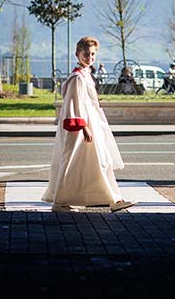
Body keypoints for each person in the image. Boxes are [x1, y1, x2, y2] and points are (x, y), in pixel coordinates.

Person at [42, 37, 135, 211]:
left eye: (92, 54)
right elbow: (73, 103)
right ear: (78, 54)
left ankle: (114, 199)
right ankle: (60, 201)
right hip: (81, 127)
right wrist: (83, 126)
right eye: (86, 54)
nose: (90, 57)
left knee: (98, 161)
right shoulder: (77, 78)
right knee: (72, 162)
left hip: (90, 124)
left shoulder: (85, 75)